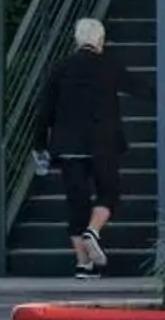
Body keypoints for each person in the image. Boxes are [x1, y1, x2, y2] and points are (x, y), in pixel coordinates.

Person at [38, 16, 124, 278]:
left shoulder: (60, 68)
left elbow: (45, 110)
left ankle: (83, 264)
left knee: (76, 202)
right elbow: (126, 99)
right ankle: (93, 231)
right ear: (99, 40)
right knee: (109, 192)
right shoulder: (107, 67)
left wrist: (39, 144)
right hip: (100, 144)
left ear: (77, 40)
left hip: (67, 146)